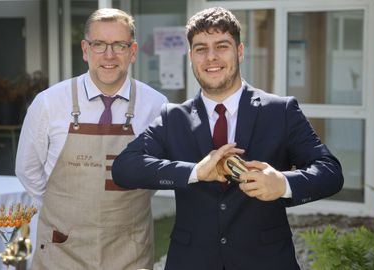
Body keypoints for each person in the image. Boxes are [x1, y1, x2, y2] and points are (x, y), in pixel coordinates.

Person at [112, 7, 343, 270]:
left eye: (222, 46)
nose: (211, 57)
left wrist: (282, 185)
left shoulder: (281, 111)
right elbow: (124, 168)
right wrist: (196, 171)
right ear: (191, 57)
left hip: (265, 262)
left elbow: (331, 172)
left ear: (240, 51)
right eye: (201, 49)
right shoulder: (172, 117)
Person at [15, 8, 167, 270]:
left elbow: (154, 174)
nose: (109, 55)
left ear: (132, 51)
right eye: (99, 45)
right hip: (62, 249)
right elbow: (27, 170)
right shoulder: (49, 103)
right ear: (85, 50)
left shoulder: (156, 105)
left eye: (119, 45)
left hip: (130, 248)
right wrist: (64, 209)